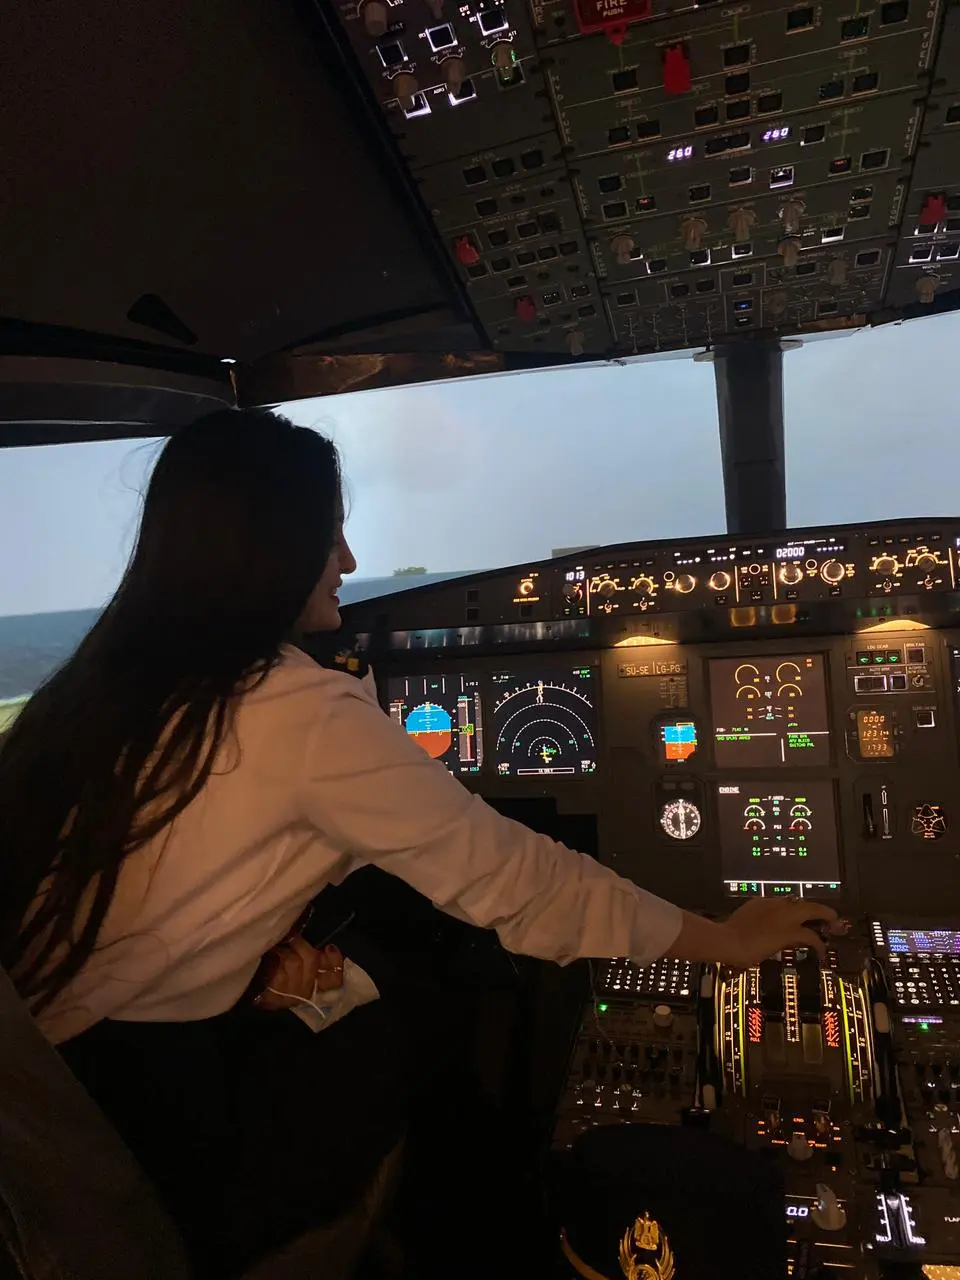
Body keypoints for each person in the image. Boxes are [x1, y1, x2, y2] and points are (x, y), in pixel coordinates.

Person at [0, 409, 840, 1276]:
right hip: (138, 1130)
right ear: (271, 548)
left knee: (380, 958)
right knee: (420, 1020)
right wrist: (721, 941)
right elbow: (521, 884)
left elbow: (153, 876)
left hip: (47, 1096)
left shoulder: (110, 686)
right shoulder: (297, 709)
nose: (348, 561)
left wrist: (247, 968)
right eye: (330, 535)